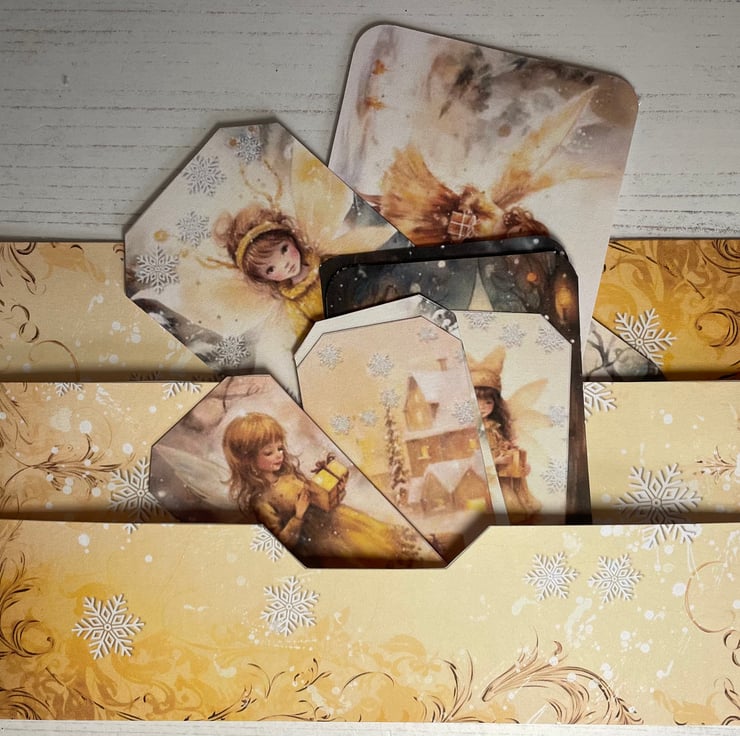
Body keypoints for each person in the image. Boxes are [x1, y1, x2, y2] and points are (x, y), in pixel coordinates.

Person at [222, 412, 426, 566]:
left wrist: (334, 490)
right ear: (248, 460)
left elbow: (319, 499)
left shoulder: (289, 475)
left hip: (342, 520)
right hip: (324, 542)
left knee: (382, 540)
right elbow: (280, 543)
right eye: (269, 452)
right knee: (367, 556)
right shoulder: (261, 500)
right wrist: (298, 516)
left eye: (280, 448)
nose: (278, 455)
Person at [212, 205, 323, 341]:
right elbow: (310, 337)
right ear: (264, 278)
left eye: (284, 249)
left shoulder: (324, 264)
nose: (285, 264)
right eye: (271, 269)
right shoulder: (295, 304)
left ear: (292, 240)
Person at [472, 366, 542, 524]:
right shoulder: (473, 430)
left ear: (495, 404)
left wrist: (518, 460)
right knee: (500, 504)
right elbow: (474, 458)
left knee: (514, 504)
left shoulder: (495, 427)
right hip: (489, 479)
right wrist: (495, 461)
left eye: (488, 402)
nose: (482, 407)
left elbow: (504, 447)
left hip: (505, 476)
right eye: (477, 401)